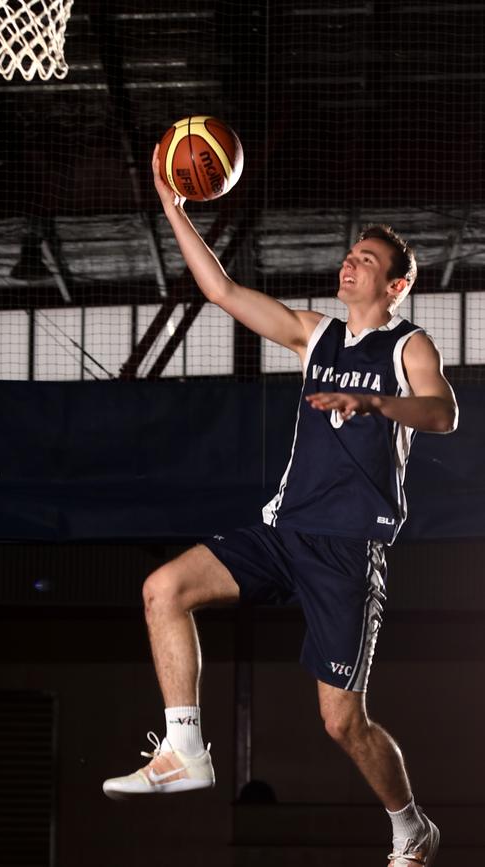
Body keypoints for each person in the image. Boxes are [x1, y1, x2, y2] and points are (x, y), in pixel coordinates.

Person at [103, 146, 457, 867]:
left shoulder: (407, 343)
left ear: (398, 282)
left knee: (340, 721)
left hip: (347, 547)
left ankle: (411, 824)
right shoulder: (315, 333)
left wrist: (373, 400)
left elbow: (443, 413)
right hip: (283, 527)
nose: (349, 263)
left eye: (365, 257)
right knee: (162, 588)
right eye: (350, 254)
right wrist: (171, 206)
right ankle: (184, 748)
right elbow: (224, 291)